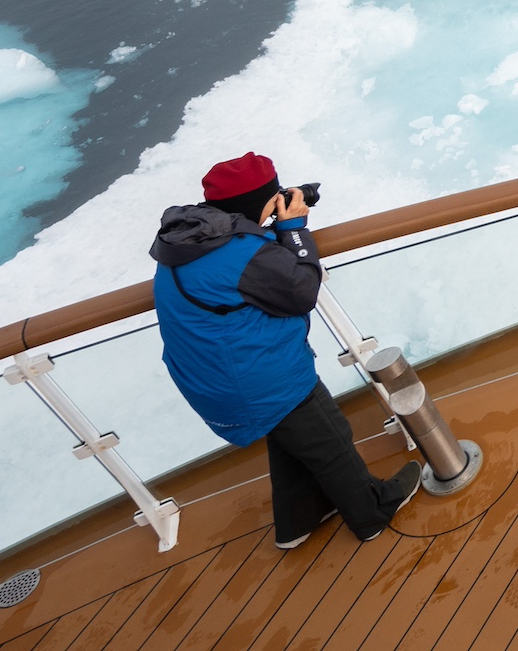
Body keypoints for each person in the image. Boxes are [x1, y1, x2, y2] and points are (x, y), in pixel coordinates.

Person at [151, 153, 421, 550]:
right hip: (258, 377)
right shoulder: (239, 253)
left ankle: (297, 521)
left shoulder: (192, 237)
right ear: (256, 202)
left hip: (213, 378)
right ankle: (370, 513)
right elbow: (300, 290)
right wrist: (294, 230)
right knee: (330, 438)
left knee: (290, 437)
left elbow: (239, 271)